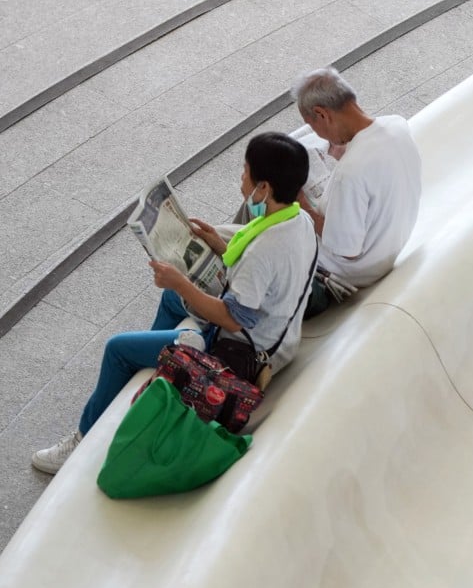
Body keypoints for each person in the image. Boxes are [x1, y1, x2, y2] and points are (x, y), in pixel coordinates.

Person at [32, 133, 317, 474]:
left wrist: (179, 281)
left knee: (117, 349)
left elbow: (232, 319)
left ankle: (81, 441)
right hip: (276, 336)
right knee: (172, 300)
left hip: (238, 355)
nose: (241, 178)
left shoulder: (264, 250)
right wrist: (217, 244)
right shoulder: (299, 221)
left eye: (245, 171)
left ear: (264, 188)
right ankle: (149, 374)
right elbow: (265, 280)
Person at [290, 67, 422, 317]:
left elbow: (346, 250)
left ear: (321, 114)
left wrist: (302, 205)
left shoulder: (350, 172)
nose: (316, 133)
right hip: (389, 243)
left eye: (312, 125)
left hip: (354, 269)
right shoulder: (397, 125)